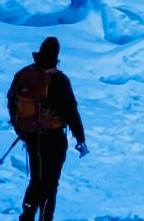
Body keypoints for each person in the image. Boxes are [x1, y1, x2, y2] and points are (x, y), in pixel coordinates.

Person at [7, 36, 87, 221]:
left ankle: (27, 215)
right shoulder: (59, 80)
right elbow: (71, 112)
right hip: (53, 137)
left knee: (36, 179)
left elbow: (12, 101)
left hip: (32, 136)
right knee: (50, 183)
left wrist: (21, 129)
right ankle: (45, 218)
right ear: (56, 56)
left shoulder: (24, 74)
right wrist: (80, 139)